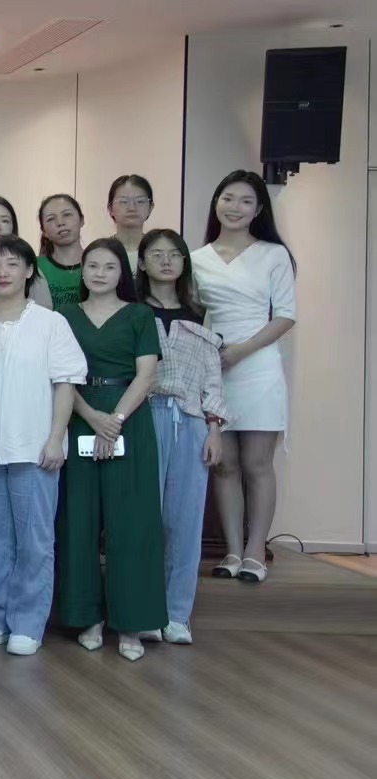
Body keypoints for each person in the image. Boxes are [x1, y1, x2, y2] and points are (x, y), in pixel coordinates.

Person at [0, 237, 86, 656]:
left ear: (28, 271)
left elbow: (65, 383)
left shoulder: (50, 323)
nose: (2, 272)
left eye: (12, 263)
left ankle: (28, 622)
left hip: (35, 447)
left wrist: (56, 437)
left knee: (35, 539)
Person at [57, 239, 165, 661]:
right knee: (78, 520)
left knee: (131, 523)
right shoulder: (65, 316)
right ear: (82, 271)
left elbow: (146, 375)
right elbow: (61, 376)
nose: (99, 273)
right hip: (78, 414)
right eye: (92, 266)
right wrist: (91, 416)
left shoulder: (140, 315)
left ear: (123, 272)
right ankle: (87, 618)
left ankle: (131, 623)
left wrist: (114, 421)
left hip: (130, 419)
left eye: (109, 266)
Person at [191, 170, 296, 584]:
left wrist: (241, 351)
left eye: (246, 201)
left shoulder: (274, 254)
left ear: (258, 210)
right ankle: (232, 550)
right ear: (216, 203)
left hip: (257, 366)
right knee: (225, 464)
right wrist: (214, 357)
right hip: (213, 367)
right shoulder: (196, 258)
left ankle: (256, 551)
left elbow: (285, 316)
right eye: (228, 198)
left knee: (257, 463)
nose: (235, 207)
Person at [138, 229, 229, 642]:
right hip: (143, 417)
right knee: (143, 520)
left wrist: (214, 427)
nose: (165, 261)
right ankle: (144, 610)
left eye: (174, 254)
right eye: (156, 254)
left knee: (185, 521)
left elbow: (212, 375)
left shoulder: (200, 312)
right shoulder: (132, 311)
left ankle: (177, 614)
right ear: (142, 262)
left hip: (191, 420)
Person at [36, 194, 86, 307]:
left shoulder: (100, 263)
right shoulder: (34, 268)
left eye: (67, 215)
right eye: (51, 219)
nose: (60, 223)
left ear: (82, 220)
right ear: (44, 231)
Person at [106, 175, 155, 275]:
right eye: (123, 201)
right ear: (110, 208)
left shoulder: (159, 252)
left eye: (140, 201)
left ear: (150, 207)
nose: (132, 208)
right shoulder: (100, 251)